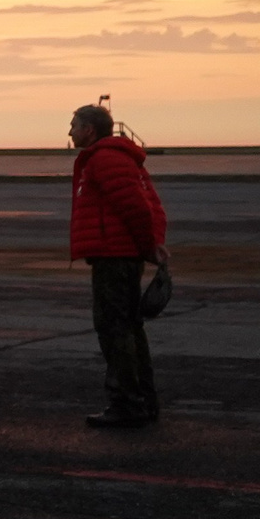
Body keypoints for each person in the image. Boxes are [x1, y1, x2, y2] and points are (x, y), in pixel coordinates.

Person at [69, 103, 168, 428]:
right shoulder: (117, 158)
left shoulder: (105, 159)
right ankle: (142, 400)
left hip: (115, 257)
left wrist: (147, 247)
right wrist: (149, 245)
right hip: (120, 254)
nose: (69, 132)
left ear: (89, 130)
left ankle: (127, 403)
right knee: (129, 328)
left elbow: (136, 207)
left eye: (74, 125)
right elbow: (149, 204)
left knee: (115, 329)